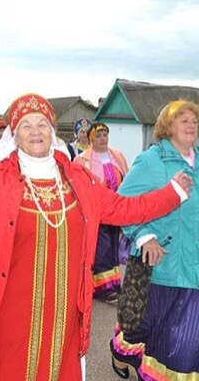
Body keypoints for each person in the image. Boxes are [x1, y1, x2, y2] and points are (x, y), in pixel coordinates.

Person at [0, 93, 192, 380]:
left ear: (52, 132)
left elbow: (123, 208)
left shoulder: (79, 179)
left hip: (64, 308)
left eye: (42, 124)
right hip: (8, 307)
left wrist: (171, 194)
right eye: (26, 126)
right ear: (14, 137)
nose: (35, 132)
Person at [109, 100, 199, 380]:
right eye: (183, 120)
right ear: (167, 127)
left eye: (194, 120)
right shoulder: (153, 160)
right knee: (146, 329)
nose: (191, 124)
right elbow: (121, 204)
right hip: (164, 266)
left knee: (191, 338)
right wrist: (145, 237)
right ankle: (122, 351)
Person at [75, 122, 128, 303]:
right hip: (96, 210)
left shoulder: (117, 156)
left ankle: (113, 283)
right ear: (91, 139)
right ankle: (102, 288)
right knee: (102, 248)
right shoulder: (83, 160)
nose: (102, 138)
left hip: (115, 208)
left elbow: (126, 179)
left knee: (113, 246)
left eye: (105, 134)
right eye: (98, 136)